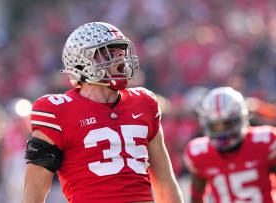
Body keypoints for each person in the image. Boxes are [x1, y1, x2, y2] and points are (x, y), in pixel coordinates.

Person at [22, 22, 184, 203]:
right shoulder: (56, 110)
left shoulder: (144, 103)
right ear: (82, 63)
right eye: (109, 53)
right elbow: (34, 189)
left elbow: (164, 182)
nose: (120, 59)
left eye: (121, 53)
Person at [183, 87, 276, 203]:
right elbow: (197, 197)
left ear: (241, 119)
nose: (222, 132)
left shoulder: (265, 142)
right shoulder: (199, 153)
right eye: (215, 127)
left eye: (227, 124)